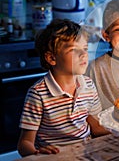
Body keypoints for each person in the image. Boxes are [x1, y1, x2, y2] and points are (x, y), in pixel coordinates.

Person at [17, 19, 109, 157]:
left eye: (85, 49)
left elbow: (96, 127)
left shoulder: (88, 85)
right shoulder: (38, 94)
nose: (84, 54)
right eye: (73, 50)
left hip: (85, 155)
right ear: (52, 58)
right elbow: (24, 144)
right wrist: (36, 152)